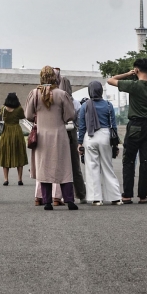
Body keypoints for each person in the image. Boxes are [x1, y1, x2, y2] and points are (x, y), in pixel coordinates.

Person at [107, 58, 147, 204]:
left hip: (134, 126)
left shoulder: (132, 85)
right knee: (145, 161)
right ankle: (142, 196)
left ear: (136, 70)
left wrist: (128, 74)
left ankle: (127, 195)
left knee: (129, 161)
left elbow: (111, 80)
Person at [25, 66, 78, 211]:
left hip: (42, 135)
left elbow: (28, 115)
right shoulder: (62, 94)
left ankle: (47, 201)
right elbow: (70, 116)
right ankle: (69, 200)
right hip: (59, 134)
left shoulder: (34, 94)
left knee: (44, 168)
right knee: (63, 166)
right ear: (55, 78)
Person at [77, 81, 122, 205]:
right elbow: (114, 126)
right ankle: (115, 197)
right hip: (105, 136)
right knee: (108, 167)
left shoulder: (85, 106)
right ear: (101, 91)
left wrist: (80, 143)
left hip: (90, 137)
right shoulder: (108, 105)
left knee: (92, 168)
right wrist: (115, 144)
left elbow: (82, 126)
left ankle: (97, 199)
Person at [60, 76, 87, 204]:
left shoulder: (55, 100)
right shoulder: (75, 103)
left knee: (60, 165)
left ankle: (61, 195)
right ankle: (81, 194)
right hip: (72, 134)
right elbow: (79, 122)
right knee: (75, 166)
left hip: (58, 134)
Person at [0, 92, 28, 185]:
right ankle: (19, 179)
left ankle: (6, 179)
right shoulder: (18, 109)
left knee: (6, 154)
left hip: (6, 132)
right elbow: (23, 116)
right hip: (16, 132)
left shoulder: (3, 108)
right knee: (19, 154)